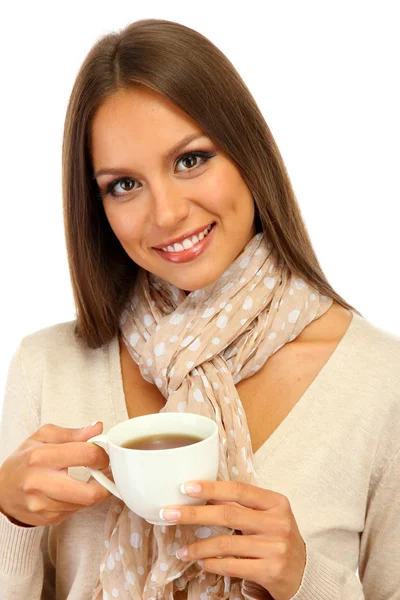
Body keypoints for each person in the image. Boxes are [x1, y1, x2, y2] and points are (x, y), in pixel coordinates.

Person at [0, 16, 399, 600]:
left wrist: (306, 580)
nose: (165, 214)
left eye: (191, 160)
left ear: (247, 154)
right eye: (123, 185)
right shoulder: (48, 369)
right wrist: (8, 519)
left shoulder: (378, 381)